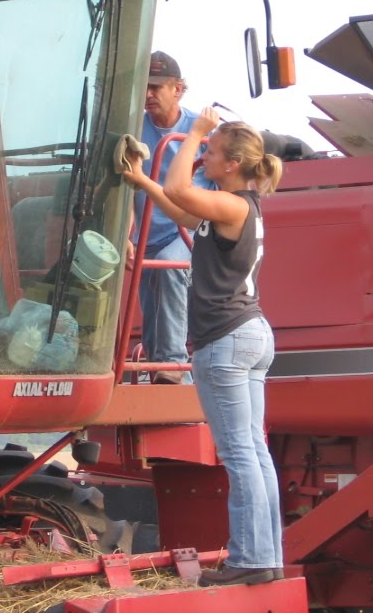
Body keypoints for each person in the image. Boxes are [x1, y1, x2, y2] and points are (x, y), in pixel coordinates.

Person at [122, 107, 285, 586]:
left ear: (232, 164)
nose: (202, 159)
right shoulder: (232, 208)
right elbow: (181, 210)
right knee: (254, 452)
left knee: (239, 454)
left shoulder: (235, 206)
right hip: (249, 334)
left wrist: (192, 133)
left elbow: (179, 189)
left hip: (227, 338)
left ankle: (250, 560)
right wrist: (142, 181)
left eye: (211, 154)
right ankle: (267, 557)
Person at [131, 50, 213, 384]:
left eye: (156, 86)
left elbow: (227, 182)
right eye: (144, 87)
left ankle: (173, 367)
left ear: (177, 89)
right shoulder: (133, 129)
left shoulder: (202, 132)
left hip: (189, 230)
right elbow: (124, 186)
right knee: (150, 302)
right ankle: (158, 372)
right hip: (146, 234)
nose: (148, 93)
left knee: (168, 268)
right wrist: (124, 236)